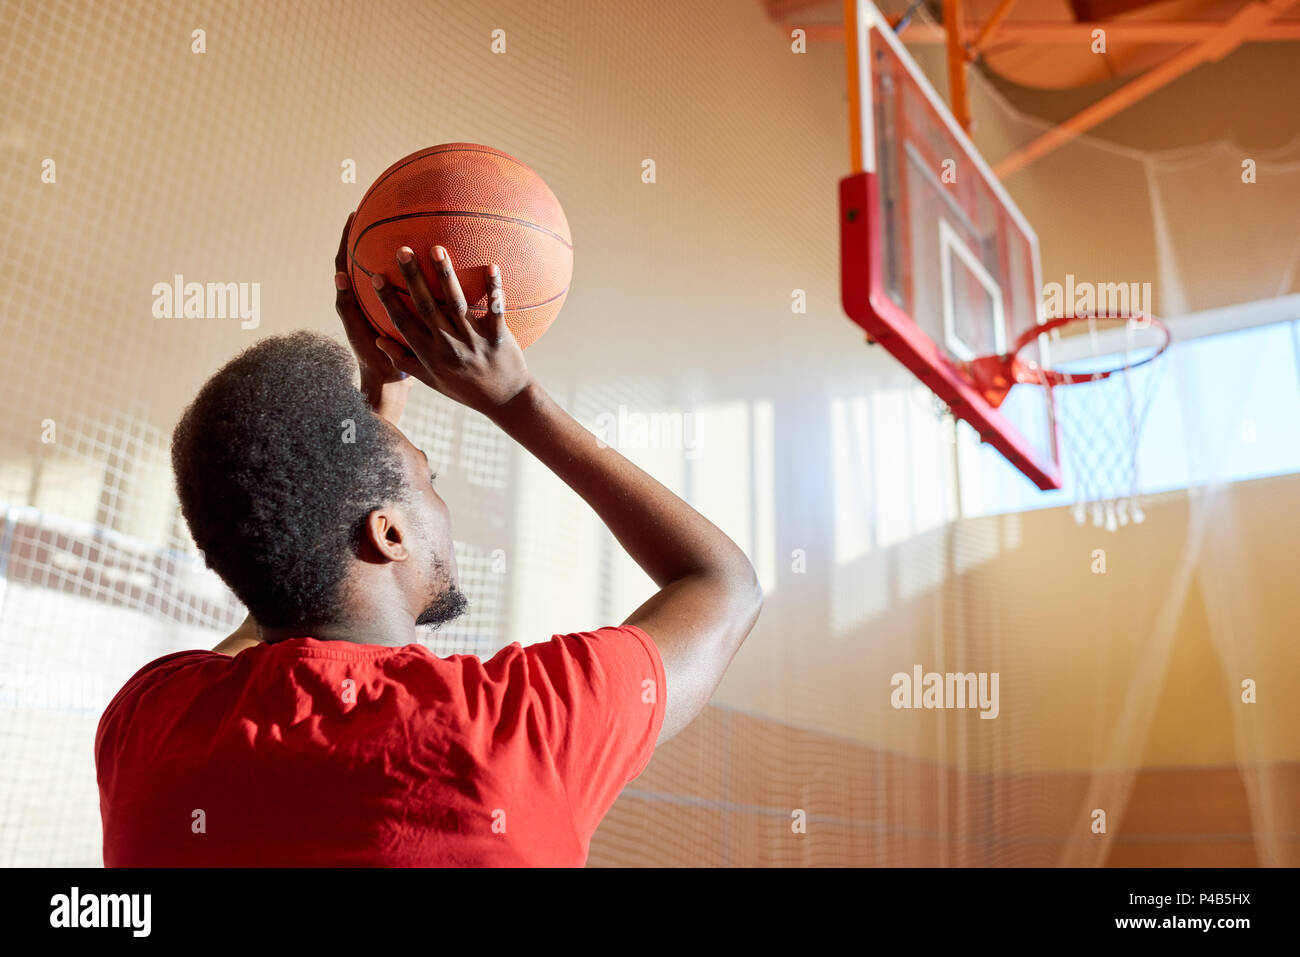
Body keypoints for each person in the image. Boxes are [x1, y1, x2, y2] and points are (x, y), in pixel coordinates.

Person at [94, 216, 762, 866]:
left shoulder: (150, 727)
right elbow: (723, 585)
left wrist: (373, 420)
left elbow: (279, 584)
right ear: (387, 533)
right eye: (428, 477)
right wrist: (517, 399)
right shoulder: (513, 731)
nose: (442, 502)